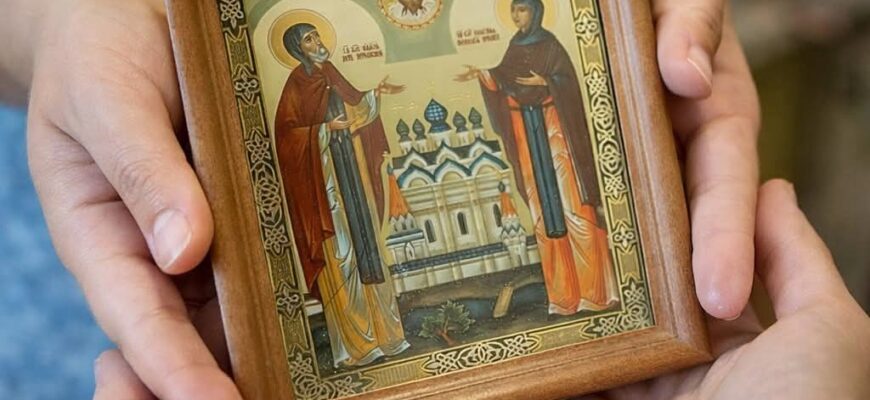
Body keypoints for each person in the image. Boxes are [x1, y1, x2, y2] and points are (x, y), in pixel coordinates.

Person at [1, 0, 864, 399]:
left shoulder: (503, 50)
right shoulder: (302, 84)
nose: (316, 53)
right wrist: (52, 27)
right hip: (120, 250)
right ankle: (366, 336)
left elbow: (376, 111)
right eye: (306, 45)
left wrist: (628, 40)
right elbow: (300, 130)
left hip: (535, 156)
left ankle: (560, 298)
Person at [456, 0, 617, 315]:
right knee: (542, 215)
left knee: (574, 207)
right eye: (513, 11)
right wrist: (483, 75)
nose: (517, 16)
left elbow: (568, 84)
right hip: (526, 134)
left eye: (523, 9)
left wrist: (547, 82)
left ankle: (596, 293)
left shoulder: (551, 46)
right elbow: (504, 80)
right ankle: (564, 298)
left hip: (554, 128)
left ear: (536, 11)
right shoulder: (514, 47)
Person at [274, 22, 409, 367]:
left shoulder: (331, 72)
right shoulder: (296, 84)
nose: (317, 42)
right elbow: (287, 138)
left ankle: (388, 336)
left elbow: (355, 109)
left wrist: (374, 95)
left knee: (370, 250)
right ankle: (356, 346)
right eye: (309, 39)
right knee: (344, 256)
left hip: (354, 173)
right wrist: (323, 130)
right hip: (327, 184)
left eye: (316, 36)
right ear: (297, 48)